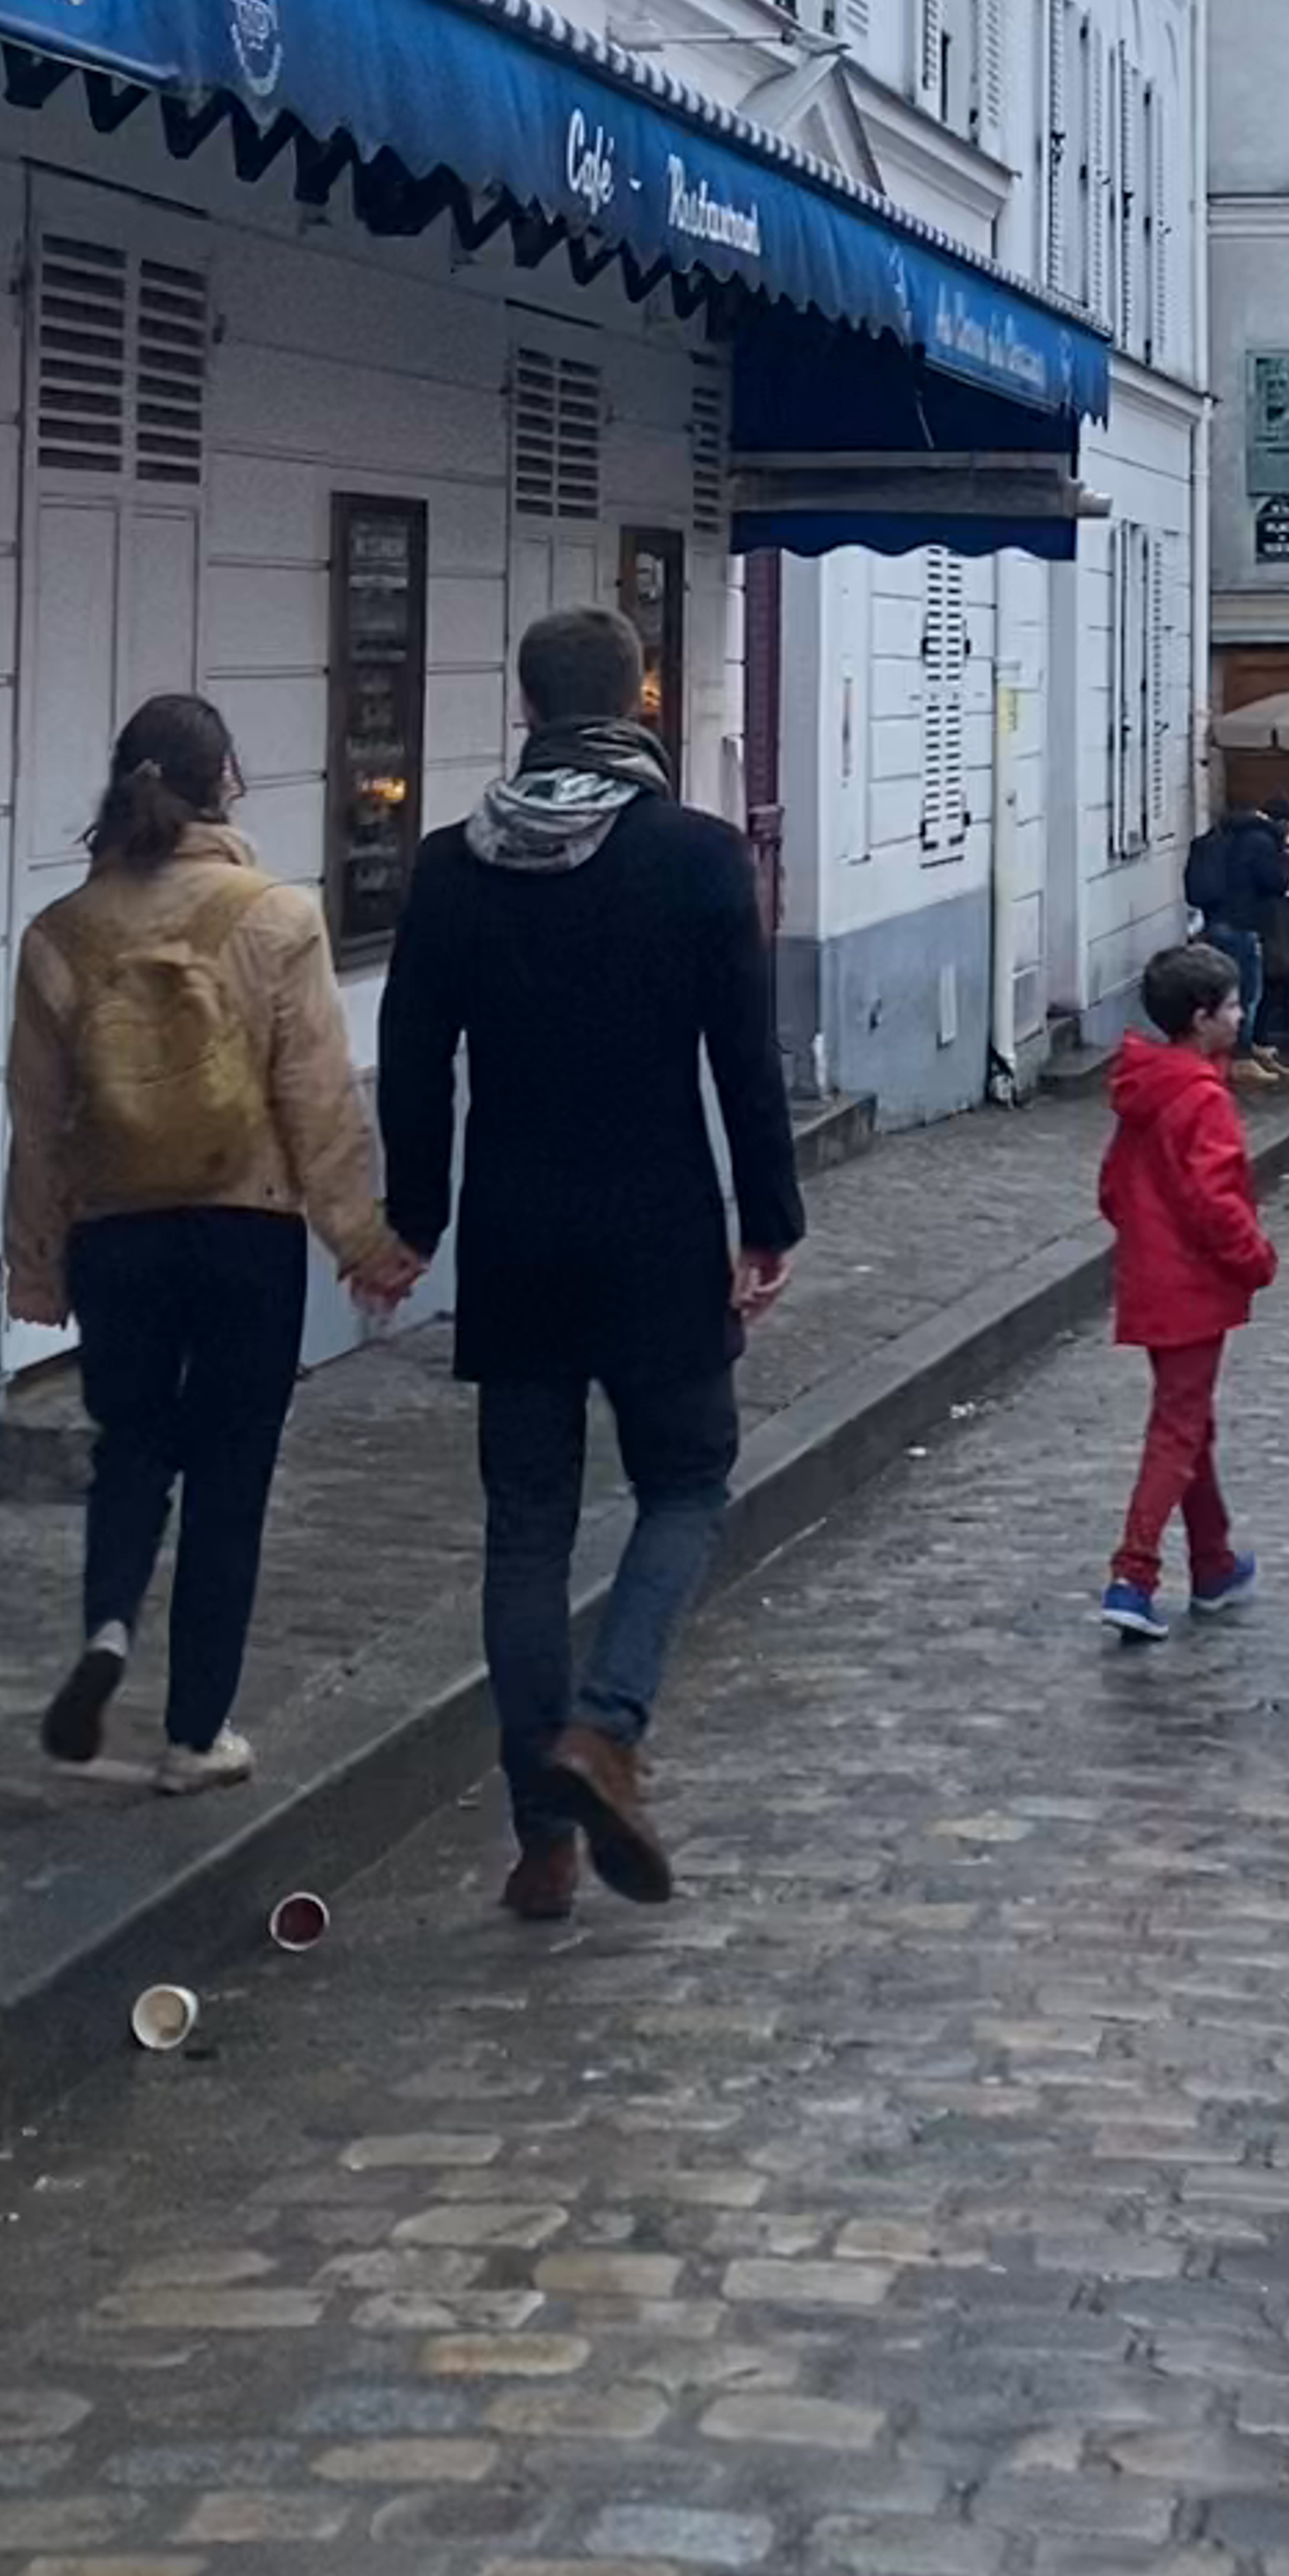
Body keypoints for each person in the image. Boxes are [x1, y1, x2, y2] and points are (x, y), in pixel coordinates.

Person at [379, 606, 802, 1920]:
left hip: (516, 1236)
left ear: (528, 704)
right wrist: (768, 1216)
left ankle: (542, 1840)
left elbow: (410, 1058)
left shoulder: (455, 865)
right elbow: (744, 1054)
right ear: (641, 698)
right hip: (658, 1228)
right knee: (687, 1479)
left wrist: (418, 1215)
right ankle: (607, 1725)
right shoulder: (695, 858)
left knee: (525, 1529)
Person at [8, 694, 415, 1791]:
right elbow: (318, 1101)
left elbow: (38, 1123)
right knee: (232, 1476)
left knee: (132, 1446)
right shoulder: (275, 916)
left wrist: (38, 1263)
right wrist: (362, 1238)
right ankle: (197, 1733)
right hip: (248, 1229)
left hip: (117, 1234)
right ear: (226, 778)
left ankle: (105, 1628)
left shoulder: (59, 933)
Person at [1096, 942, 1277, 1634]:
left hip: (1151, 1276)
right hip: (1193, 1287)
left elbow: (1114, 1187)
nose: (1240, 1014)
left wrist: (1145, 1233)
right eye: (1232, 1005)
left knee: (1189, 1418)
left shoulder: (1147, 1087)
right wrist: (1255, 1257)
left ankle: (1214, 1563)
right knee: (1178, 1427)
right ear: (1203, 1018)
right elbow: (1217, 1199)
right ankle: (1133, 1574)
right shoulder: (1201, 1098)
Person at [1183, 792, 1289, 1080]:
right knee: (1247, 992)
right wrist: (1286, 861)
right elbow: (1275, 881)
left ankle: (1230, 1053)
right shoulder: (1261, 841)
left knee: (1223, 991)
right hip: (1243, 924)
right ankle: (1241, 1058)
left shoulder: (1228, 832)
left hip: (1216, 921)